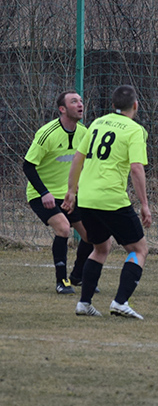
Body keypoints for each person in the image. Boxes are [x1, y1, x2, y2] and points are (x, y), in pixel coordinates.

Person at [62, 85, 152, 319]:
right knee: (139, 249)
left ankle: (84, 303)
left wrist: (71, 192)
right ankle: (120, 301)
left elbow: (78, 159)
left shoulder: (97, 123)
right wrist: (144, 203)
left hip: (88, 198)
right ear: (135, 105)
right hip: (111, 199)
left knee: (101, 247)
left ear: (113, 106)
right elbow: (136, 167)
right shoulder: (135, 130)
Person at [23, 90, 94, 294]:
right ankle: (61, 281)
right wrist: (44, 192)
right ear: (62, 109)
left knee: (91, 236)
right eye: (74, 101)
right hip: (42, 194)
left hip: (70, 194)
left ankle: (77, 277)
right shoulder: (48, 133)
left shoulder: (84, 133)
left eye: (81, 100)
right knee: (63, 229)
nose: (80, 104)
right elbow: (28, 166)